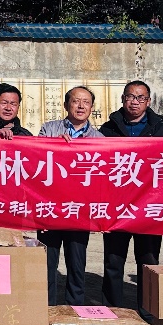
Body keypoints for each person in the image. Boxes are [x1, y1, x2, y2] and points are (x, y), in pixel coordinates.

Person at [98, 81, 163, 310]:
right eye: (130, 97)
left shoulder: (162, 128)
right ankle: (113, 308)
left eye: (140, 98)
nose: (135, 102)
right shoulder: (108, 129)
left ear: (148, 101)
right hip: (117, 207)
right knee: (113, 261)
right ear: (123, 99)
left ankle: (147, 310)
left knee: (148, 260)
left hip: (149, 206)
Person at [36, 86, 101, 305]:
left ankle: (75, 310)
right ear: (66, 105)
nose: (81, 106)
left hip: (80, 211)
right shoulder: (49, 129)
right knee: (47, 264)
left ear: (91, 107)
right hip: (50, 209)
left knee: (77, 264)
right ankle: (45, 309)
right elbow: (36, 161)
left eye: (86, 102)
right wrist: (54, 146)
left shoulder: (100, 138)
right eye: (75, 101)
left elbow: (103, 180)